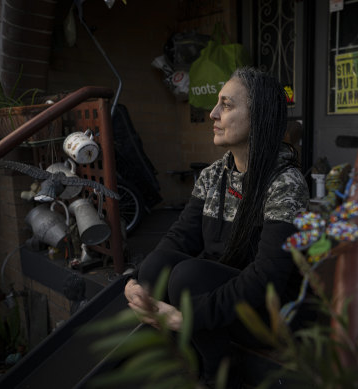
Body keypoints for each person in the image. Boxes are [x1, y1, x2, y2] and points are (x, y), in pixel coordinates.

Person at [124, 67, 309, 386]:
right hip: (222, 300)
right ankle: (193, 365)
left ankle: (220, 376)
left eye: (226, 104)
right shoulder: (212, 176)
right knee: (157, 267)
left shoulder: (285, 184)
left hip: (269, 312)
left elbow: (268, 278)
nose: (212, 113)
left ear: (259, 117)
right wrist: (135, 281)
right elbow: (178, 239)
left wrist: (188, 317)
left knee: (188, 276)